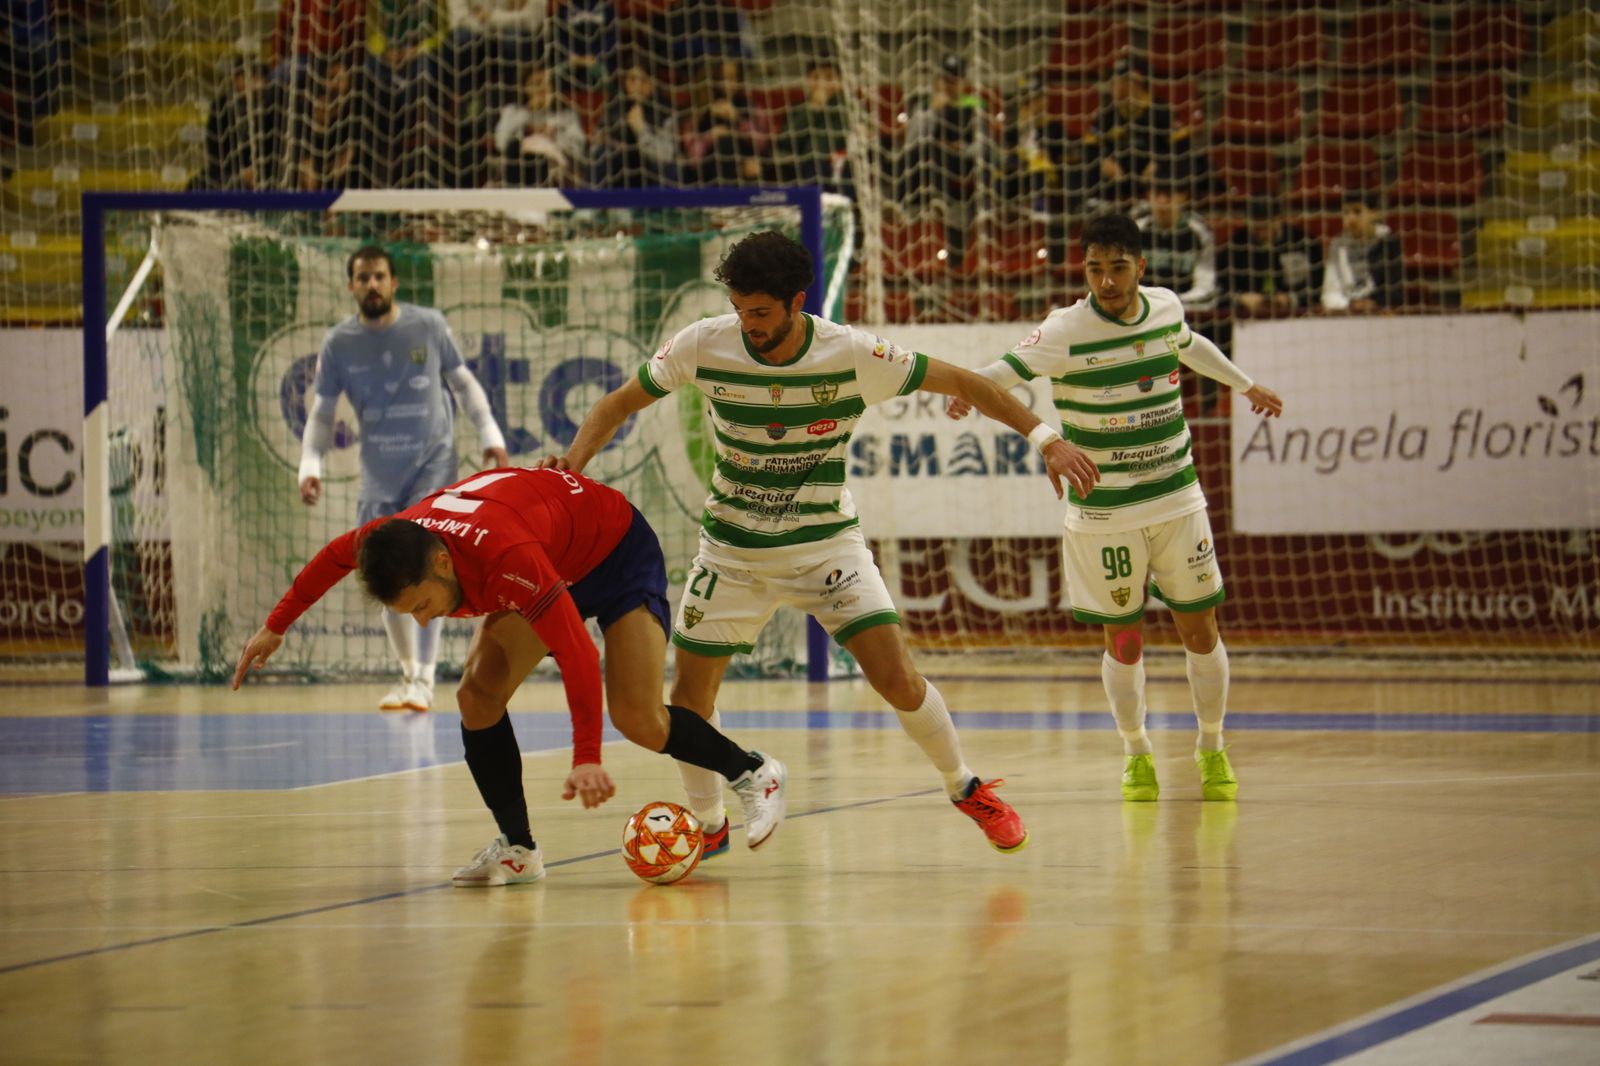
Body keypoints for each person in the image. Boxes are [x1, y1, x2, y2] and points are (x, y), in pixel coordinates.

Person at [539, 230, 1102, 853]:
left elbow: (969, 384)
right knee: (688, 700)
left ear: (796, 302)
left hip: (826, 547)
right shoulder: (704, 343)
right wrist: (574, 462)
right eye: (739, 311)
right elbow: (619, 403)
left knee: (898, 679)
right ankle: (708, 824)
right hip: (732, 551)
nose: (747, 325)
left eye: (760, 313)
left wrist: (1048, 439)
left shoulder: (853, 353)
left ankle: (966, 786)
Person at [232, 465, 789, 885]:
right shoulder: (392, 538)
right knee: (477, 696)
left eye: (423, 605)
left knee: (638, 718)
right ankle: (518, 850)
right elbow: (334, 554)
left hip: (614, 551)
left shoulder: (505, 559)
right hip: (552, 551)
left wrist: (586, 757)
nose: (424, 621)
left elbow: (574, 651)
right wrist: (275, 626)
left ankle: (753, 773)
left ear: (444, 563)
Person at [948, 213, 1283, 803]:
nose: (1106, 281)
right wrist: (966, 395)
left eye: (1118, 268)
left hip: (1176, 496)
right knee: (1123, 642)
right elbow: (999, 375)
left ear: (1140, 268)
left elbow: (1189, 345)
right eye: (1095, 269)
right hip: (1103, 512)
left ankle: (1212, 746)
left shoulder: (1165, 307)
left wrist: (1245, 385)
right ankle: (1136, 751)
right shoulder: (1064, 329)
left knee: (1200, 630)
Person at [299, 244, 511, 712]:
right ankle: (409, 676)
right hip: (379, 475)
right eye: (362, 277)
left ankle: (425, 680)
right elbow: (322, 411)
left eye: (379, 276)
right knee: (381, 567)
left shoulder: (428, 325)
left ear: (393, 283)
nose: (371, 284)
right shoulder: (339, 343)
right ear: (351, 286)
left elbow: (464, 384)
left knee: (423, 559)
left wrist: (490, 433)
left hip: (432, 464)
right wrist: (309, 465)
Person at [1132, 164, 1218, 311]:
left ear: (1184, 197)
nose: (1162, 201)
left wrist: (1171, 306)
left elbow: (1206, 287)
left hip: (1186, 313)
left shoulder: (1199, 233)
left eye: (1169, 194)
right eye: (1157, 194)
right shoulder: (1135, 230)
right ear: (1148, 195)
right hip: (1140, 312)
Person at [1219, 198, 1323, 319]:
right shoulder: (1236, 245)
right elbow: (1221, 286)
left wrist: (1290, 299)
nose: (1263, 234)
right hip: (1247, 317)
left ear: (1278, 219)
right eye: (1257, 228)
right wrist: (1241, 298)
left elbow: (1318, 283)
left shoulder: (1303, 242)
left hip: (1296, 316)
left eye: (1266, 227)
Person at [492, 63, 589, 187]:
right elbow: (501, 142)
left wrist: (551, 138)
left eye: (546, 83)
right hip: (520, 164)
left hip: (556, 167)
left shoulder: (566, 113)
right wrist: (528, 116)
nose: (542, 88)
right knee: (517, 148)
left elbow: (577, 146)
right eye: (536, 84)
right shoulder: (513, 112)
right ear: (524, 88)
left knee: (541, 153)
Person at [1321, 189, 1405, 314]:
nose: (1351, 218)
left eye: (1357, 211)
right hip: (1346, 313)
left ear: (1374, 213)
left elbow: (1394, 291)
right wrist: (1349, 304)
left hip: (1379, 313)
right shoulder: (1337, 246)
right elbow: (1329, 292)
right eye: (1346, 212)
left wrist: (1374, 303)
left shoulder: (1387, 243)